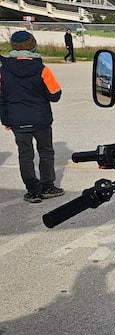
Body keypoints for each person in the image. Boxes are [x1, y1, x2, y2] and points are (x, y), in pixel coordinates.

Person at [0, 29, 64, 204]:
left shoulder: (3, 70)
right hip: (40, 118)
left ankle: (33, 190)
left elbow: (2, 98)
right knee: (45, 151)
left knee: (25, 154)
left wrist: (6, 120)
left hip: (17, 119)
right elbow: (55, 95)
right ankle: (48, 185)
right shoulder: (41, 69)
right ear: (33, 45)